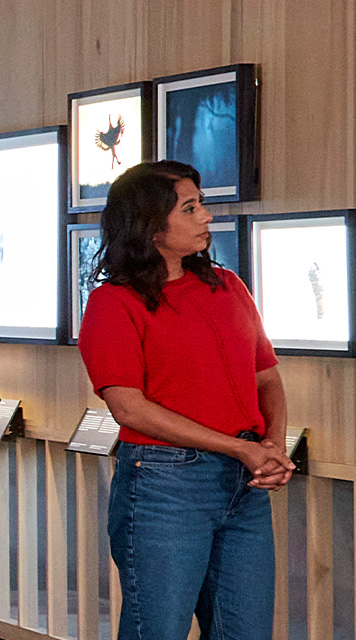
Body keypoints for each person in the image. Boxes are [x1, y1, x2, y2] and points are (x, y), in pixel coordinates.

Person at [78, 160, 295, 640]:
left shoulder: (229, 286)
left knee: (246, 631)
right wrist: (241, 448)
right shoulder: (113, 303)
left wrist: (272, 447)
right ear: (151, 226)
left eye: (203, 205)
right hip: (163, 486)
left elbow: (266, 377)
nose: (206, 217)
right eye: (191, 208)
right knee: (157, 630)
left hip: (245, 485)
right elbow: (129, 408)